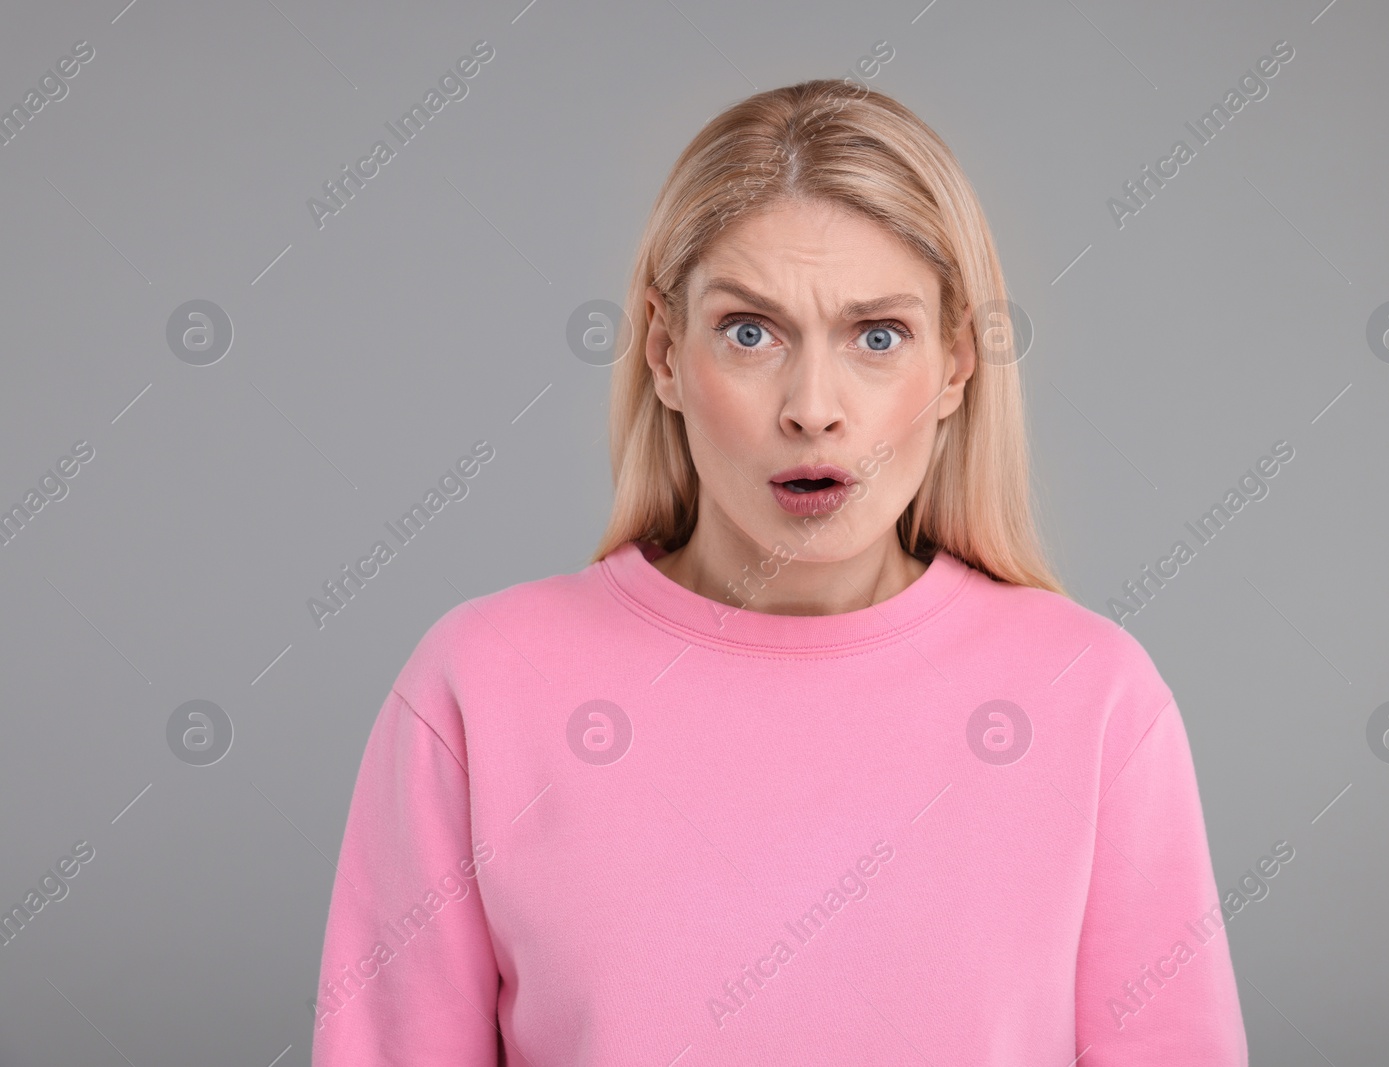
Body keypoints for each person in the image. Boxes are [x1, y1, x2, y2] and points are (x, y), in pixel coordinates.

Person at [310, 78, 1247, 1065]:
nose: (812, 406)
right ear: (666, 354)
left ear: (958, 364)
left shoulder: (1092, 698)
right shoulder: (480, 685)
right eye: (749, 332)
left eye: (876, 336)